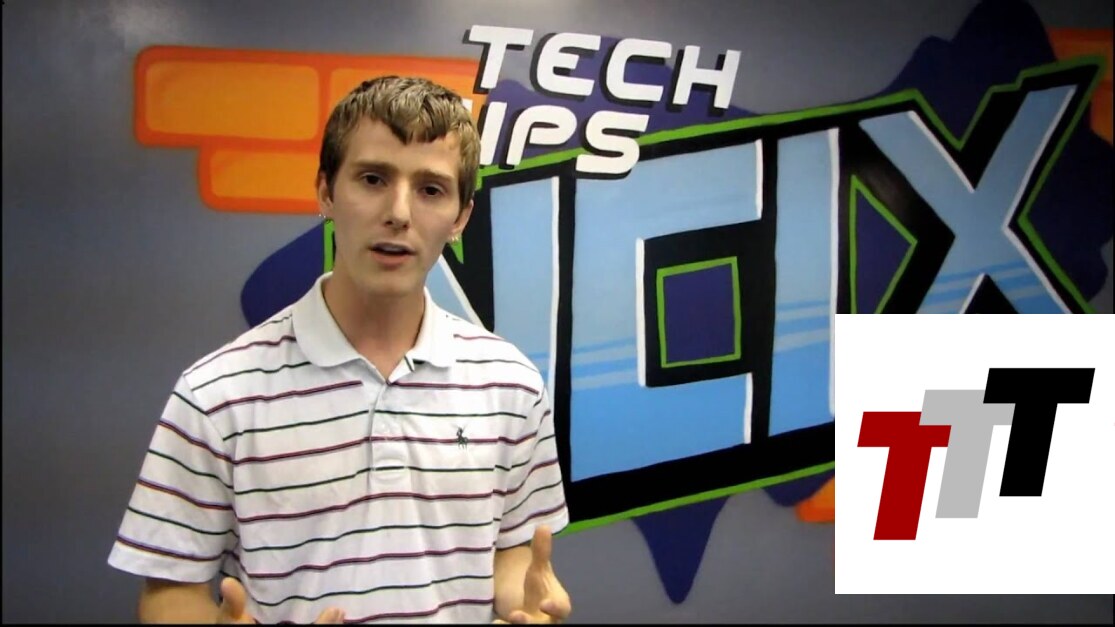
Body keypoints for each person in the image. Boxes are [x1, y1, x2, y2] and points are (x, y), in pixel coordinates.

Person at [108, 76, 571, 624]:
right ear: (326, 192)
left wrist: (528, 605)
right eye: (373, 179)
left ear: (461, 217)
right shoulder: (215, 394)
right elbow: (169, 592)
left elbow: (513, 554)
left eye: (431, 189)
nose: (399, 212)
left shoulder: (511, 383)